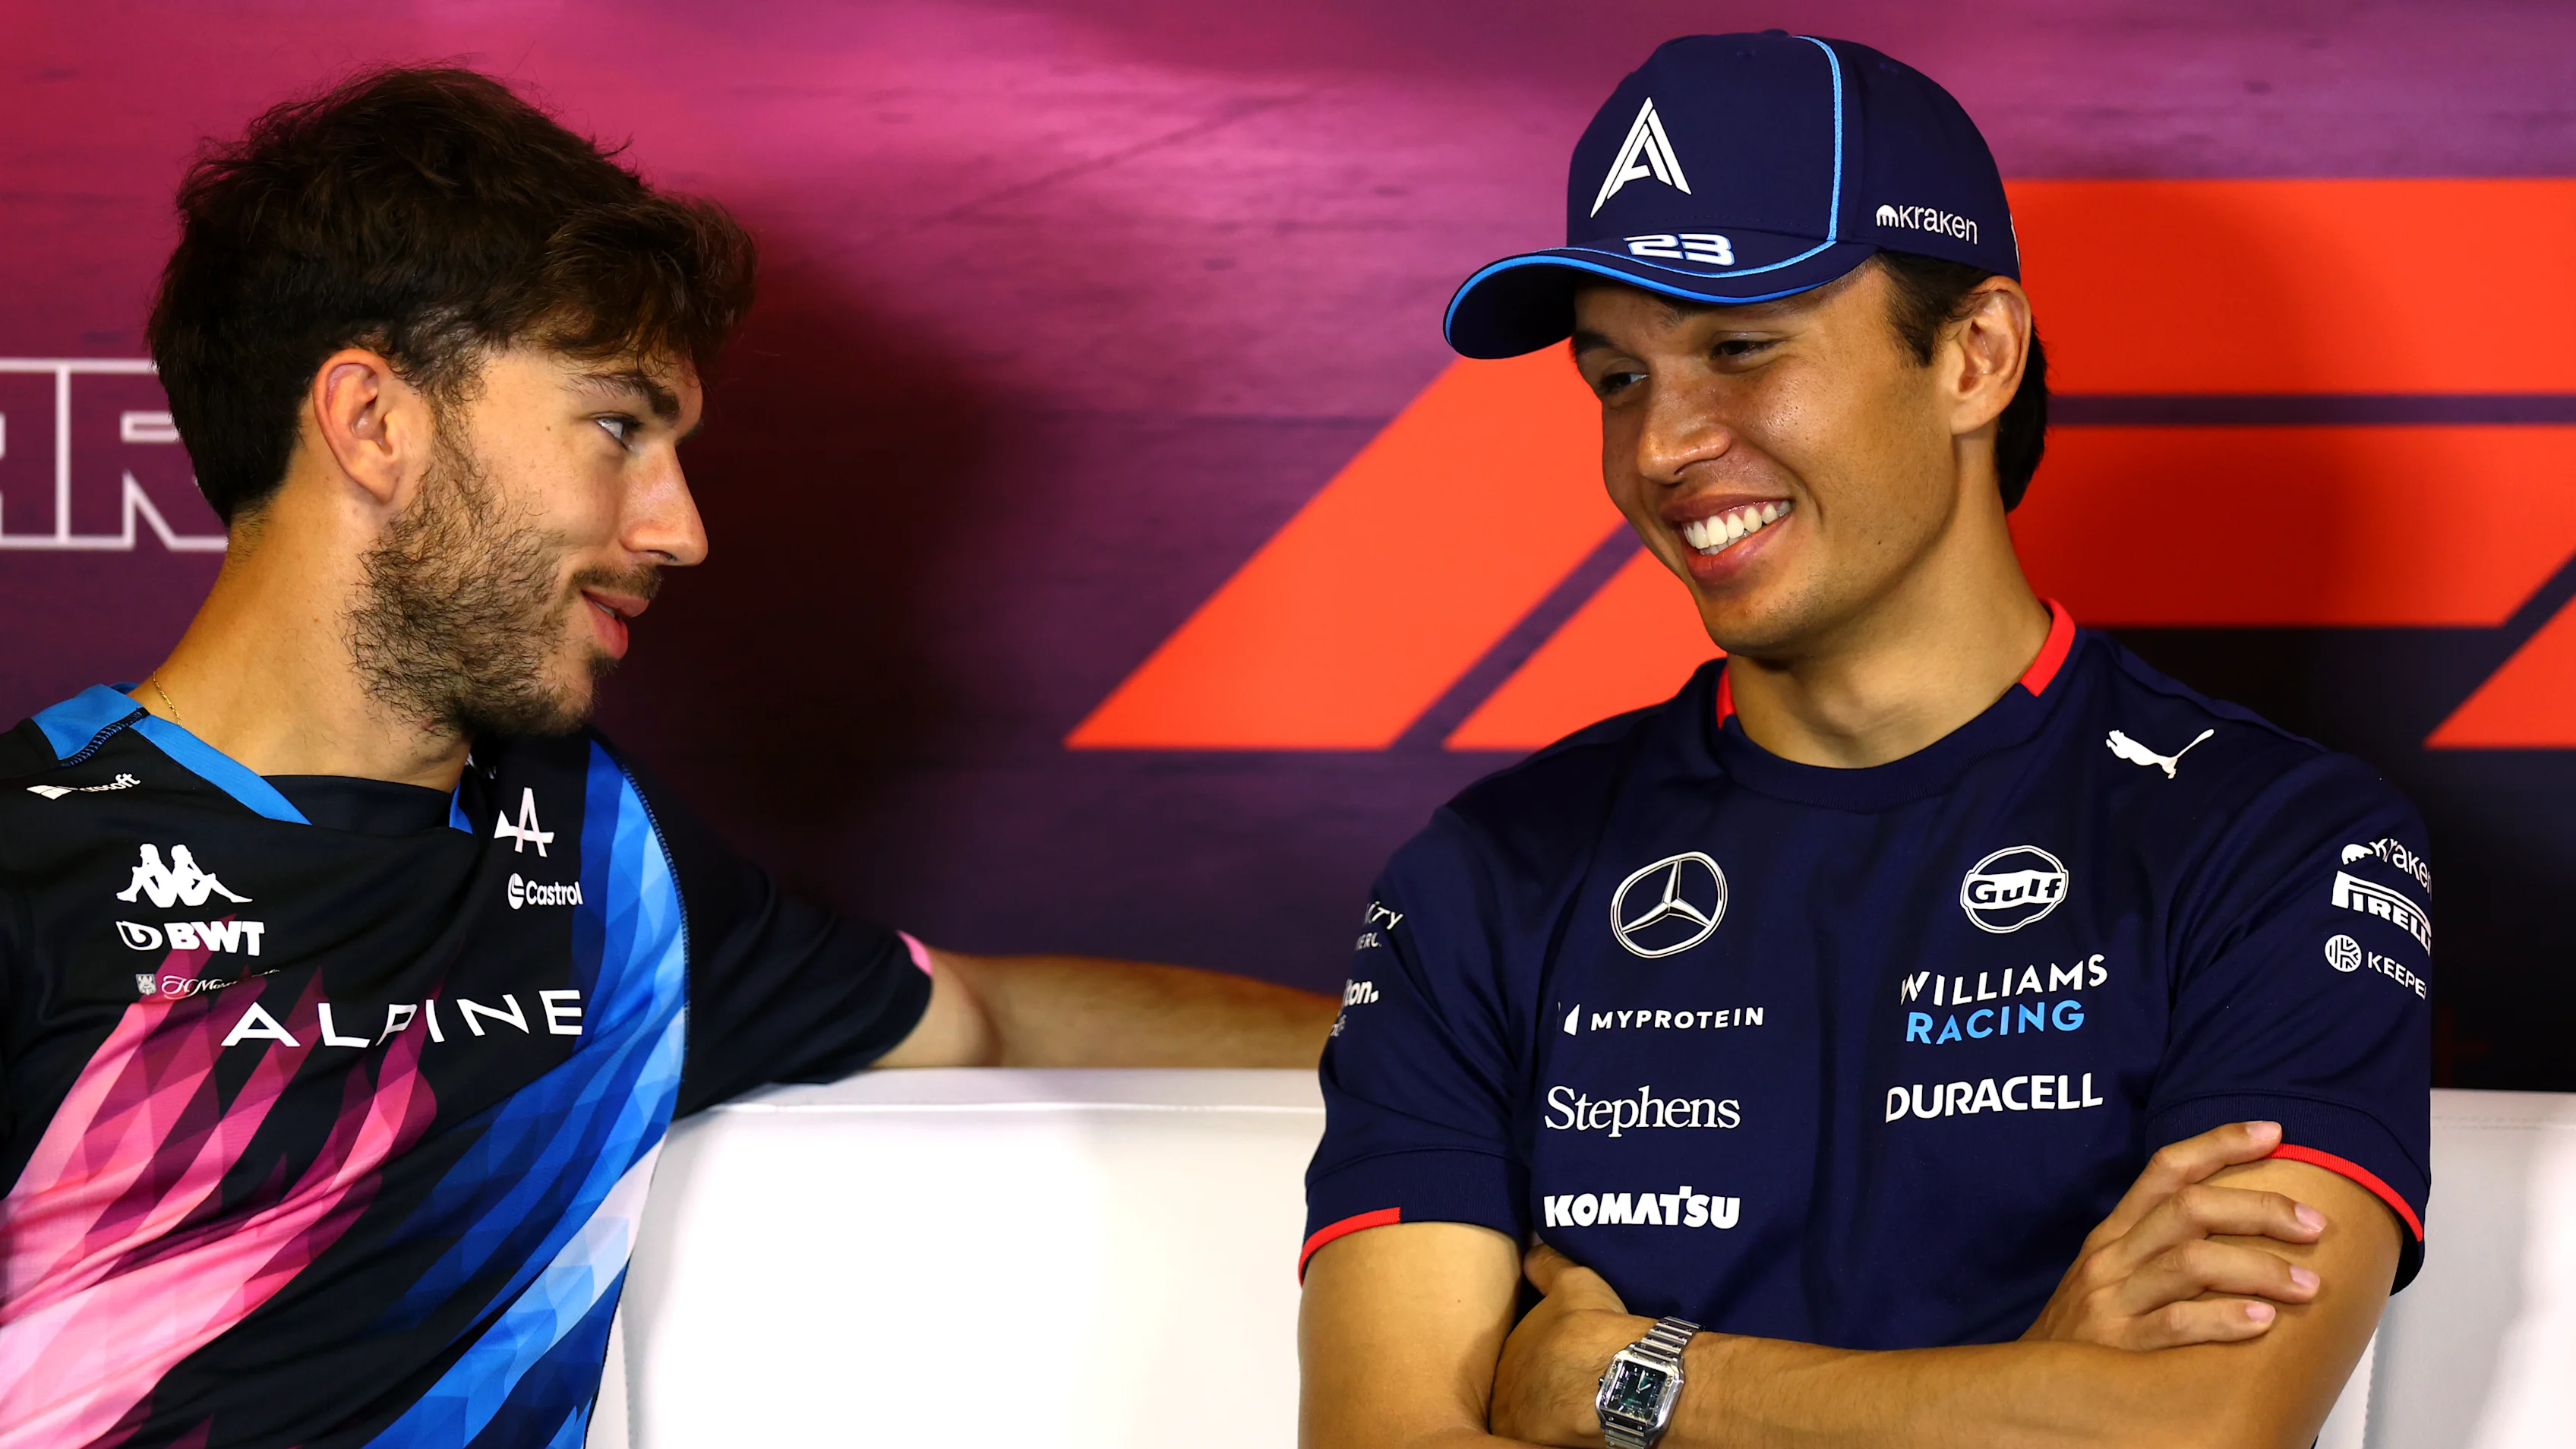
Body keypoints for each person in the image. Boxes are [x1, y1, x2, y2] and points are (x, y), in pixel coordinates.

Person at [0, 66, 1335, 1447]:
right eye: (619, 427)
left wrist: (1447, 1061)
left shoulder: (606, 859)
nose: (681, 529)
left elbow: (992, 1021)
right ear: (375, 422)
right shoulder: (28, 856)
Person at [1299, 32, 2431, 1449]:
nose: (1660, 448)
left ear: (1975, 355)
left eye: (1739, 349)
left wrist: (1632, 1384)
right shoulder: (1486, 876)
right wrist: (2027, 1382)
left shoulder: (2275, 843)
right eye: (1617, 379)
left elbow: (2200, 1432)